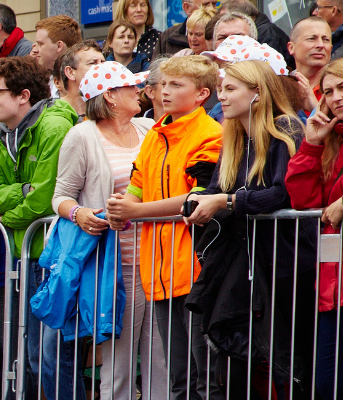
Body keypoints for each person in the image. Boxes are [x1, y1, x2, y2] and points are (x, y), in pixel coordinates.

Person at [183, 57, 312, 398]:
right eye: (221, 89)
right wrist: (197, 203)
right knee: (239, 356)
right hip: (245, 267)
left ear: (257, 92)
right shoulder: (235, 136)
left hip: (285, 265)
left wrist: (227, 203)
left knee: (289, 359)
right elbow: (214, 191)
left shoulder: (286, 128)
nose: (220, 97)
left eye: (229, 89)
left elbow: (282, 192)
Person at [103, 55, 223, 400]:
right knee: (179, 378)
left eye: (176, 85)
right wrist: (120, 208)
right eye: (163, 84)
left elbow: (199, 196)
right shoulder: (155, 134)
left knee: (206, 379)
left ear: (202, 95)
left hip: (197, 268)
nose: (164, 92)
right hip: (158, 271)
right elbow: (136, 186)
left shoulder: (210, 134)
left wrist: (135, 209)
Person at [0, 55, 83, 400]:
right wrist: (22, 191)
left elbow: (44, 200)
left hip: (54, 255)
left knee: (54, 357)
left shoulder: (53, 126)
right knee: (37, 356)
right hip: (25, 256)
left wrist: (7, 216)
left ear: (23, 95)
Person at [54, 61, 156, 400]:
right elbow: (60, 197)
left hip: (161, 261)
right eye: (131, 86)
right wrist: (80, 213)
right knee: (120, 366)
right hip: (116, 266)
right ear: (110, 96)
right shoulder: (81, 135)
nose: (139, 91)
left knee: (163, 362)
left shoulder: (149, 129)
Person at [286, 56, 343, 400]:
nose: (335, 98)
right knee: (329, 387)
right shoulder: (334, 140)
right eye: (328, 92)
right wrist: (312, 143)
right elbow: (303, 201)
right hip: (332, 286)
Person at [55, 43, 106, 118]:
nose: (102, 68)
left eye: (103, 62)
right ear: (70, 72)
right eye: (92, 63)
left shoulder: (113, 108)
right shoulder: (55, 113)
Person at [290, 16, 334, 83]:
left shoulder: (340, 84)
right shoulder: (281, 87)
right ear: (291, 48)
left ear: (331, 48)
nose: (320, 45)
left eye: (325, 40)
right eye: (311, 39)